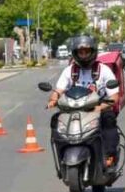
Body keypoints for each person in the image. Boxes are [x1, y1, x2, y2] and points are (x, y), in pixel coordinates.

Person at [46, 34, 120, 168]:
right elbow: (59, 90)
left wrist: (100, 108)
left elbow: (114, 96)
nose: (84, 55)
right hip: (73, 110)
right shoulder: (70, 71)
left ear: (93, 52)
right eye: (81, 52)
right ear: (75, 53)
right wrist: (53, 99)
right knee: (56, 121)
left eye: (87, 52)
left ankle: (110, 155)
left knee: (109, 120)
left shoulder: (103, 70)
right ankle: (62, 153)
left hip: (97, 109)